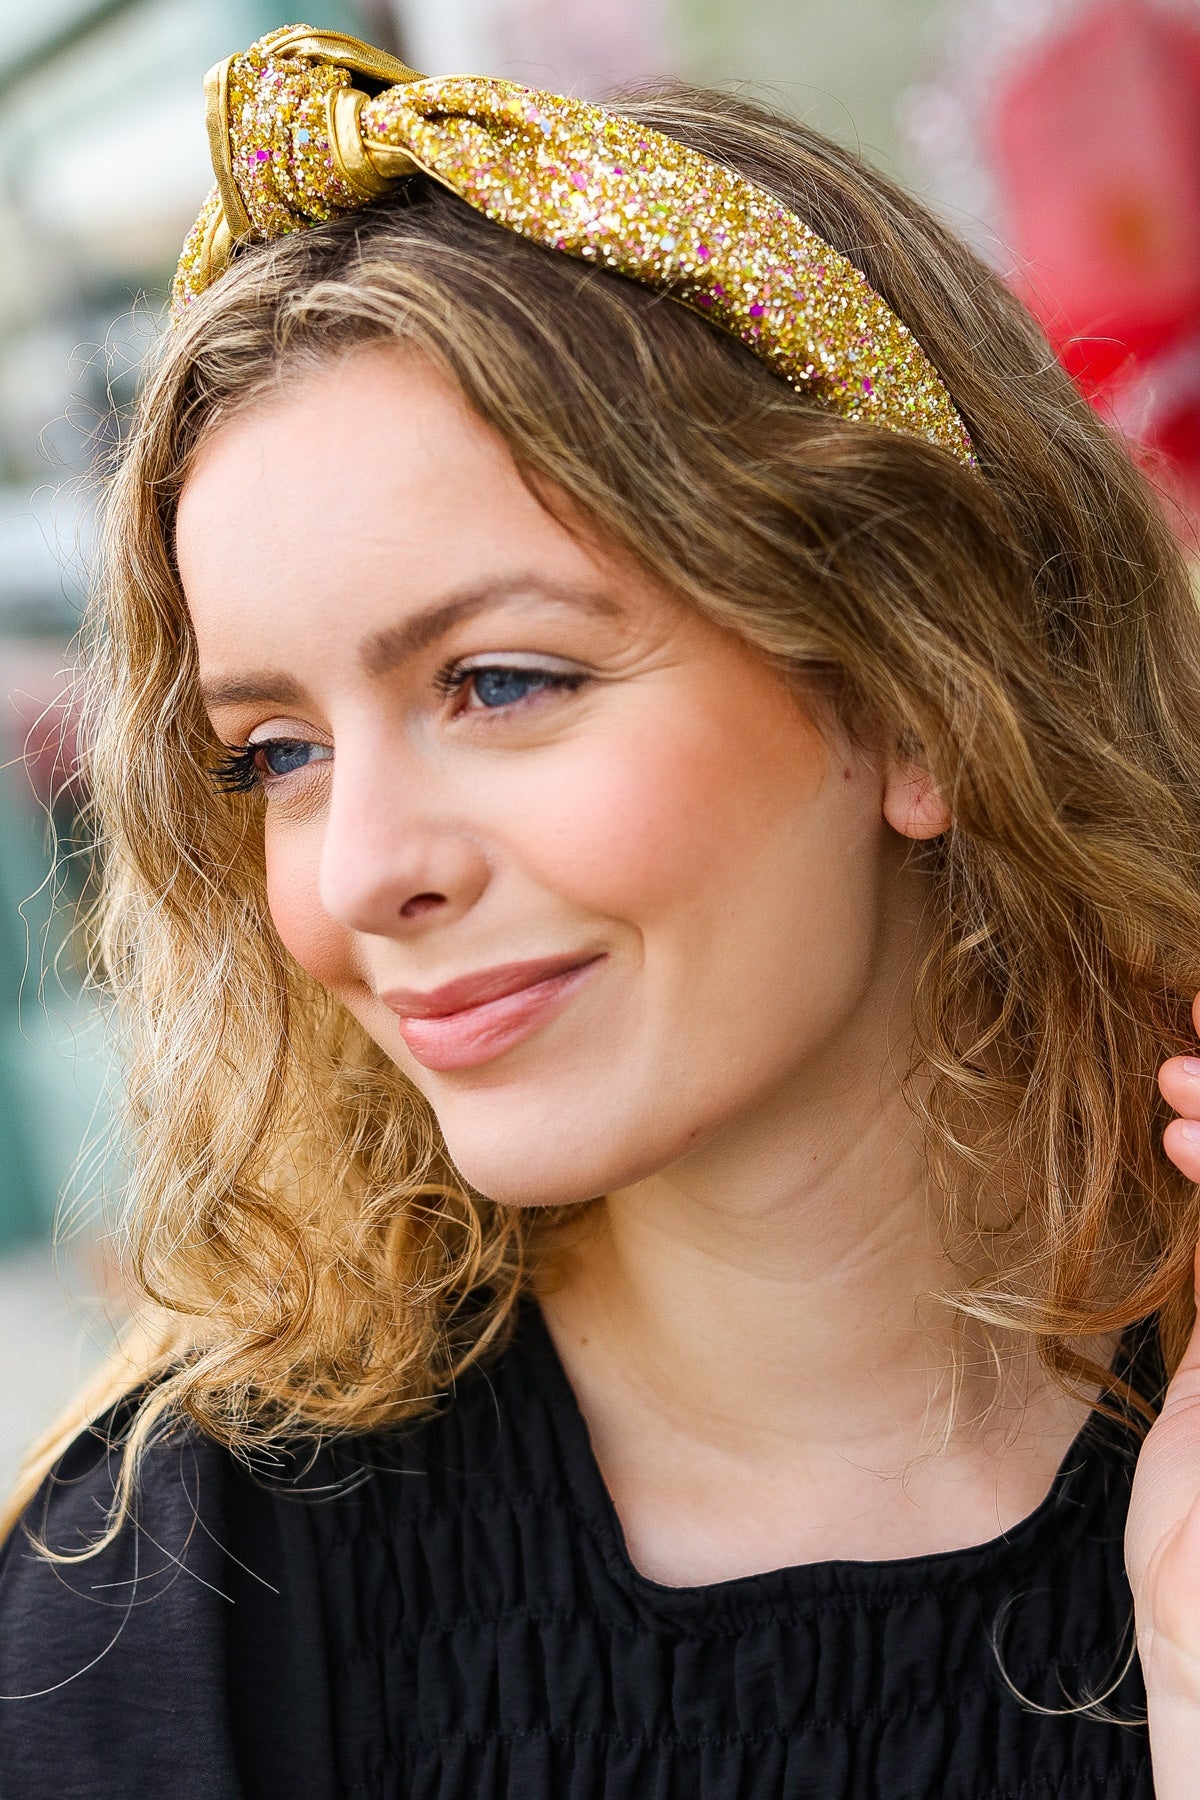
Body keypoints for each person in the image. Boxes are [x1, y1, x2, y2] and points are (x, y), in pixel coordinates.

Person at [3, 22, 1200, 1798]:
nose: (357, 877)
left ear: (915, 691)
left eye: (499, 682)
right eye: (276, 753)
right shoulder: (177, 1588)